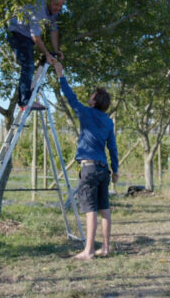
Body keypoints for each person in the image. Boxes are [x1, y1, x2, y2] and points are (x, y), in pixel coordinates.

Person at [53, 61, 119, 260]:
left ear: (94, 101)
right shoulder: (108, 121)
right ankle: (105, 247)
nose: (89, 97)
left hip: (89, 169)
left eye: (91, 96)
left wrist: (60, 76)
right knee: (104, 209)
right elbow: (112, 148)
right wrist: (115, 170)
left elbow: (71, 98)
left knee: (90, 210)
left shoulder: (86, 113)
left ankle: (88, 250)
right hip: (103, 169)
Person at [7, 0, 66, 110]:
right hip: (17, 32)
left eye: (60, 6)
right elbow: (35, 37)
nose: (58, 8)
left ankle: (29, 94)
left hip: (27, 35)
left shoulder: (54, 12)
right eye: (56, 5)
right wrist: (47, 53)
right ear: (49, 1)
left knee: (32, 66)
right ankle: (24, 102)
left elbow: (54, 31)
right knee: (28, 65)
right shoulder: (39, 10)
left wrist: (56, 51)